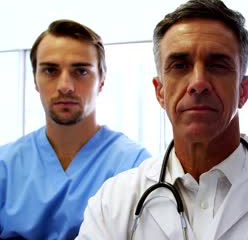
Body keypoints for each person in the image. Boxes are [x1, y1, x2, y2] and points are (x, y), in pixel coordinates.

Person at [77, 0, 248, 239]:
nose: (198, 83)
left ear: (243, 90)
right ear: (160, 92)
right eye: (180, 65)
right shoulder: (112, 206)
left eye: (218, 65)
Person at [0, 19, 151, 239]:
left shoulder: (135, 166)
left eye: (80, 71)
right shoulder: (6, 165)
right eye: (50, 70)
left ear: (101, 81)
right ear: (35, 79)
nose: (65, 86)